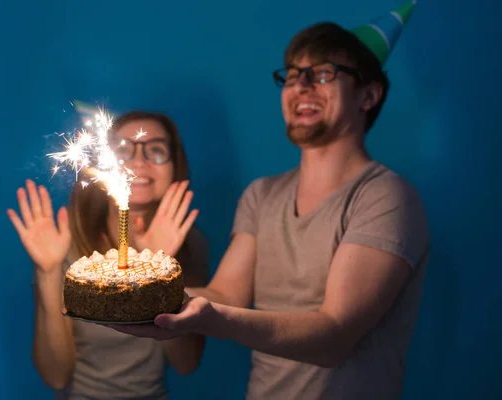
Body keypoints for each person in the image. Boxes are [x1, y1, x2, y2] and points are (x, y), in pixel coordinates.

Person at [108, 3, 430, 399]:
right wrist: (152, 286)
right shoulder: (261, 195)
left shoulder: (386, 197)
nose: (301, 86)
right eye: (293, 75)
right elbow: (226, 295)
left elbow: (333, 338)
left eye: (324, 73)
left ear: (368, 94)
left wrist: (215, 318)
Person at [7, 110, 209, 399]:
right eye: (123, 150)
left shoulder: (192, 246)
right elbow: (55, 375)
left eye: (156, 150)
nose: (139, 162)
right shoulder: (71, 254)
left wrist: (159, 270)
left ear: (175, 166)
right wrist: (49, 272)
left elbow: (186, 364)